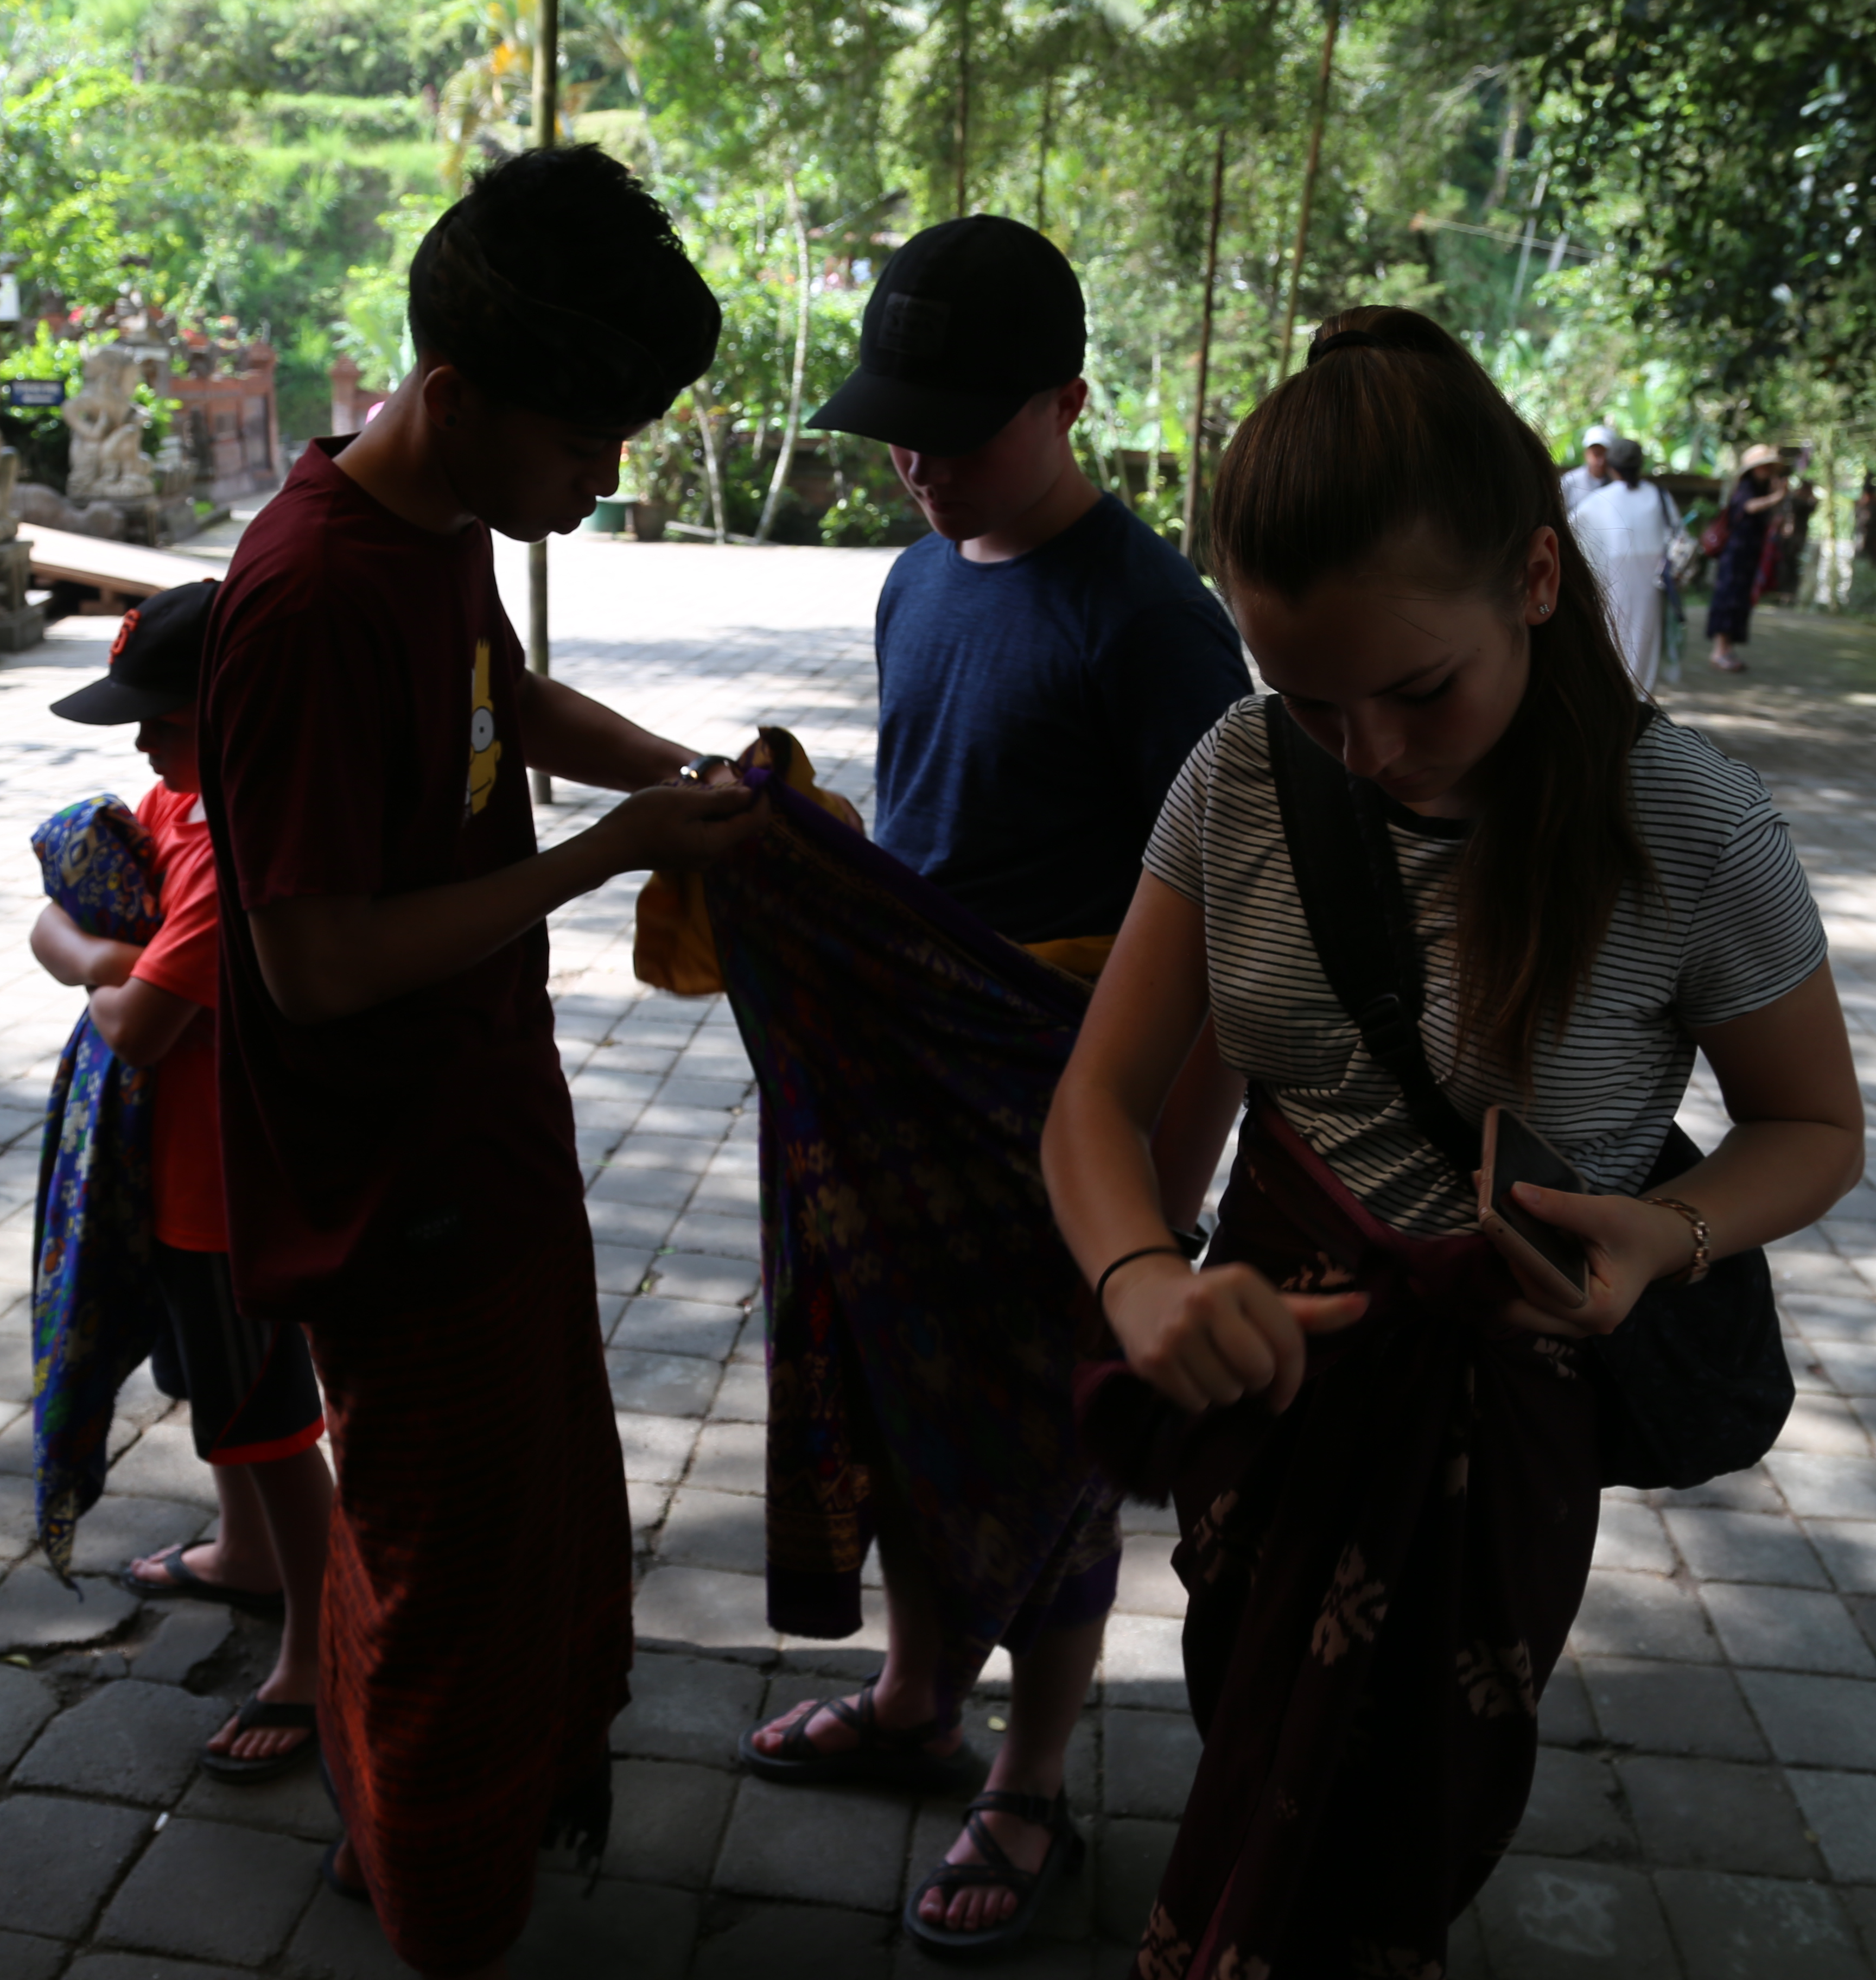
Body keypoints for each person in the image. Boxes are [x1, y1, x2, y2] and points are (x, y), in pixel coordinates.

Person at [1042, 305, 1864, 1977]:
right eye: (1313, 700)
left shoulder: (1692, 825)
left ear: (1538, 586)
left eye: (1420, 689)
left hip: (1502, 1406)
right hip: (1267, 1384)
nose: (1373, 754)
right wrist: (1140, 1278)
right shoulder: (1239, 776)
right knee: (1244, 1707)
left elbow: (1813, 1126)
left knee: (1401, 1799)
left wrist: (1665, 1233)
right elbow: (1097, 1104)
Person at [193, 144, 754, 1980]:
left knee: (509, 1532)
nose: (603, 475)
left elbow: (507, 706)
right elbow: (314, 956)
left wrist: (684, 782)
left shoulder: (431, 542)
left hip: (479, 1142)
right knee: (450, 1578)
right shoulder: (307, 596)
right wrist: (605, 855)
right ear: (456, 392)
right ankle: (444, 1908)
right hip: (388, 1198)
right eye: (587, 436)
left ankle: (422, 1831)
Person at [727, 213, 1251, 1958]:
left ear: (1068, 403)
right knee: (906, 1399)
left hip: (1077, 1113)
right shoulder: (914, 572)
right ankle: (912, 1697)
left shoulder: (1158, 624)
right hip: (917, 1090)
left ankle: (1029, 1772)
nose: (919, 462)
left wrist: (1160, 1206)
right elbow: (926, 839)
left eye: (957, 429)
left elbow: (1229, 943)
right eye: (901, 426)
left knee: (1053, 1441)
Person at [28, 579, 334, 1782]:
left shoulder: (241, 844)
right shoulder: (179, 804)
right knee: (212, 1390)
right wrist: (108, 959)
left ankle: (315, 1643)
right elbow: (52, 932)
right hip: (174, 1173)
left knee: (268, 1421)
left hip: (231, 1184)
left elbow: (143, 1027)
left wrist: (110, 977)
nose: (144, 746)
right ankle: (245, 1552)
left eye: (164, 718)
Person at [1569, 436, 1676, 694]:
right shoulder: (1658, 496)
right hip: (1652, 585)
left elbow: (1572, 535)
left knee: (1614, 638)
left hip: (1613, 582)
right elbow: (1677, 535)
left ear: (1611, 465)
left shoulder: (1600, 501)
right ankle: (1641, 698)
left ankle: (1616, 696)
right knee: (1645, 642)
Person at [1705, 442, 1790, 671]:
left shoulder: (1763, 489)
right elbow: (1749, 507)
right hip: (1735, 556)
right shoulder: (1746, 488)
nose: (1768, 471)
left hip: (1750, 557)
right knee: (1728, 601)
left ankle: (1728, 649)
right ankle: (1719, 651)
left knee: (1741, 602)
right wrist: (1777, 497)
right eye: (1764, 466)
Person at [1559, 422, 1619, 517]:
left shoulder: (1617, 484)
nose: (1601, 461)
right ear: (1586, 454)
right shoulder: (1570, 482)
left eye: (1605, 454)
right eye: (1597, 454)